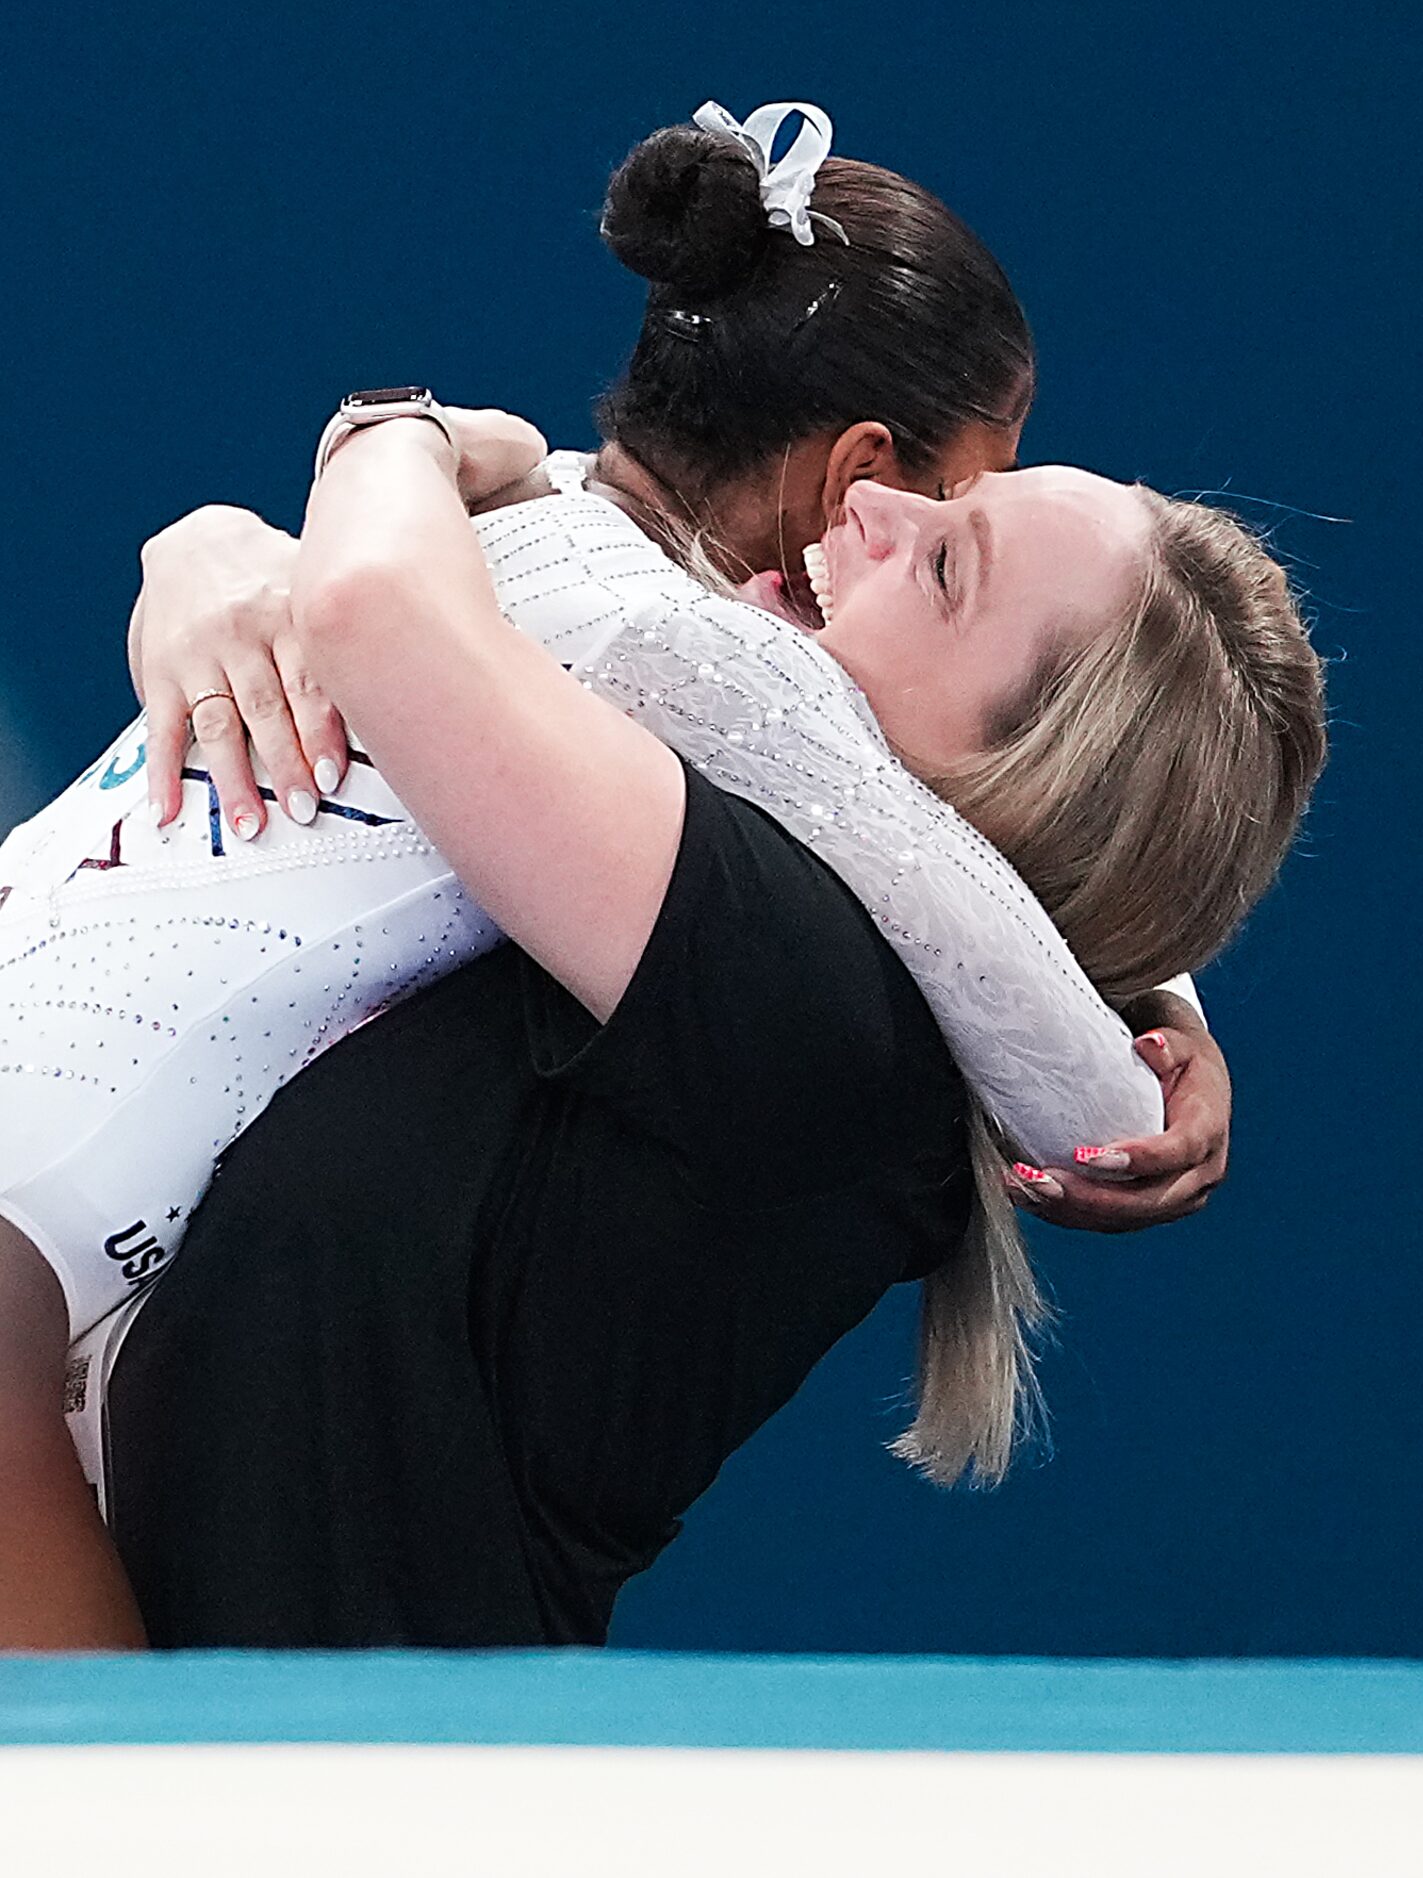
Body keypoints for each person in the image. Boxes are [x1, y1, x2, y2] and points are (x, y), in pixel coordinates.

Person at [12, 105, 1319, 1649]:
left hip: (328, 1777)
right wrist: (216, 555)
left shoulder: (808, 982)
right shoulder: (667, 706)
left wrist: (390, 434)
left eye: (949, 558)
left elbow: (906, 849)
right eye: (949, 499)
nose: (872, 518)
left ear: (1029, 776)